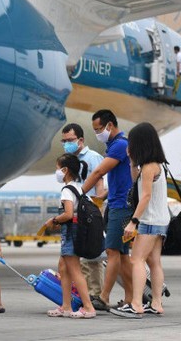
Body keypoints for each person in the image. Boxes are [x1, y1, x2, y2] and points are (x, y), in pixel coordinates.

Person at [110, 122, 169, 318]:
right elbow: (136, 182)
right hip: (161, 220)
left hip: (149, 221)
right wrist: (131, 162)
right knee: (154, 262)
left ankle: (136, 303)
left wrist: (133, 221)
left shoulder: (148, 168)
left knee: (136, 260)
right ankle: (156, 303)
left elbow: (145, 196)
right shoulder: (157, 165)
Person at [79, 109, 133, 311]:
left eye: (98, 129)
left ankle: (103, 297)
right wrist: (105, 194)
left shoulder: (119, 145)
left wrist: (80, 192)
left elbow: (100, 171)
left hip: (121, 207)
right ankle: (131, 298)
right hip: (117, 202)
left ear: (110, 125)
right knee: (122, 255)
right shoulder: (117, 145)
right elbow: (122, 179)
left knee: (112, 252)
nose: (97, 134)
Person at [44, 153, 96, 319]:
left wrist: (53, 220)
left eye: (58, 168)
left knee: (74, 270)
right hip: (77, 231)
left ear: (65, 170)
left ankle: (88, 307)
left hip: (71, 232)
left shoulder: (67, 190)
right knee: (63, 267)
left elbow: (67, 214)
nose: (57, 172)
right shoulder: (80, 188)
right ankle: (65, 306)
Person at [61, 123, 106, 307]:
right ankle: (84, 294)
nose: (66, 144)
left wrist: (97, 205)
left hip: (90, 210)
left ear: (80, 140)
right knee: (77, 253)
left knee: (90, 255)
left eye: (70, 140)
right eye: (64, 141)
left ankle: (95, 295)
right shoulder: (70, 159)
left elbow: (100, 182)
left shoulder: (93, 157)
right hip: (75, 211)